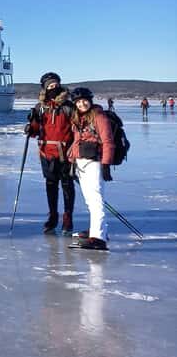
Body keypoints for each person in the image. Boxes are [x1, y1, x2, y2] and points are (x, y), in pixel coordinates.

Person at [25, 72, 76, 234]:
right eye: (50, 86)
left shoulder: (68, 107)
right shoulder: (41, 108)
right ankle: (53, 215)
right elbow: (34, 131)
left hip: (65, 153)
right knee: (51, 185)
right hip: (46, 153)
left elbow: (77, 130)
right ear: (45, 89)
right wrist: (30, 126)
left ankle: (68, 217)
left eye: (56, 85)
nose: (53, 88)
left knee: (67, 185)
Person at [67, 87, 113, 251]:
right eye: (78, 102)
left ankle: (99, 237)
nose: (81, 103)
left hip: (94, 163)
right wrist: (72, 160)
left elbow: (108, 141)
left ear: (90, 100)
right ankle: (98, 230)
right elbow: (76, 141)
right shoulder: (78, 118)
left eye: (84, 100)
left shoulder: (99, 117)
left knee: (96, 200)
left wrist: (106, 164)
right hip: (81, 163)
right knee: (89, 200)